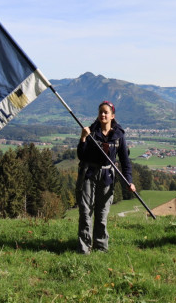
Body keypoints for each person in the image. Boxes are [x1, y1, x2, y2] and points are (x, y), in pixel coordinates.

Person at [76, 100, 136, 254]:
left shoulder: (118, 136)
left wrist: (129, 181)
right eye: (100, 112)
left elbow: (125, 161)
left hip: (107, 176)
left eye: (106, 112)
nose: (102, 114)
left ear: (112, 116)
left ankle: (101, 247)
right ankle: (84, 249)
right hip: (89, 174)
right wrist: (83, 138)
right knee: (85, 212)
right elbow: (81, 155)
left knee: (102, 213)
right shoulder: (90, 132)